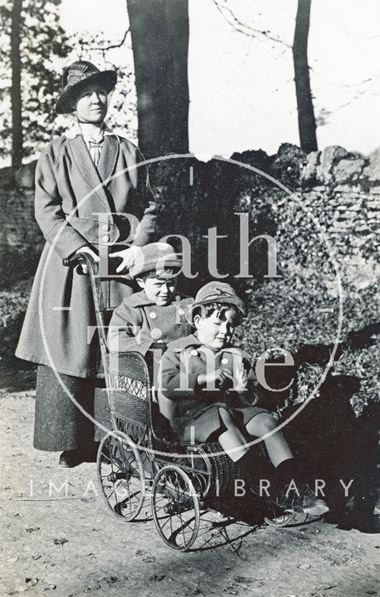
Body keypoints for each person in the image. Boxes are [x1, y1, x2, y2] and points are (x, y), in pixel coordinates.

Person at [16, 60, 157, 467]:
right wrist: (78, 247)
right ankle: (71, 440)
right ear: (72, 104)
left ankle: (117, 438)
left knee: (117, 345)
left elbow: (151, 206)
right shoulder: (57, 152)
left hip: (120, 262)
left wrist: (139, 248)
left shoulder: (128, 150)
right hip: (72, 265)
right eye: (86, 94)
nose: (96, 99)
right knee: (72, 343)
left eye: (101, 92)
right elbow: (46, 209)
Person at [159, 281, 329, 516]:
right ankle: (265, 484)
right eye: (218, 322)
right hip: (192, 419)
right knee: (222, 414)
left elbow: (252, 400)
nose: (225, 330)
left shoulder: (236, 355)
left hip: (231, 411)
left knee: (265, 421)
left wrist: (242, 388)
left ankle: (293, 486)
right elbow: (167, 386)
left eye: (231, 324)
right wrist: (201, 379)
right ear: (198, 321)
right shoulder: (178, 351)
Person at [107, 242, 193, 360]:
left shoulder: (187, 304)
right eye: (158, 284)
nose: (165, 290)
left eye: (171, 283)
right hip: (151, 364)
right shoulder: (132, 307)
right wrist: (149, 347)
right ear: (141, 282)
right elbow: (115, 340)